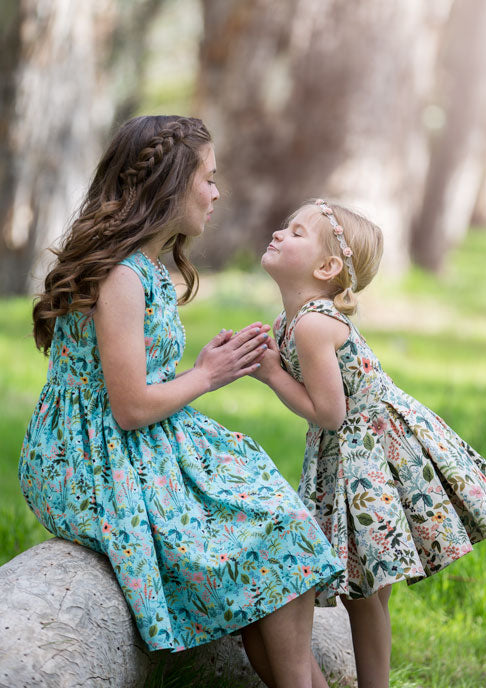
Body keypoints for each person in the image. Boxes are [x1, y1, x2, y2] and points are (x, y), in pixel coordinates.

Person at [18, 117, 343, 688]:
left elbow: (139, 380)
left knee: (271, 505)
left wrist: (203, 369)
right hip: (93, 458)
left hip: (131, 436)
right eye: (209, 179)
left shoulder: (145, 267)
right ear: (169, 184)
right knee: (272, 523)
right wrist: (209, 375)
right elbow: (130, 407)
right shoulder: (121, 277)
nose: (217, 193)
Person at [255, 198, 486, 688]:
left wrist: (271, 374)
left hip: (373, 451)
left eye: (295, 232)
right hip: (353, 452)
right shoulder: (290, 323)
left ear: (327, 266)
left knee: (366, 588)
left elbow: (330, 412)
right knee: (367, 587)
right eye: (283, 226)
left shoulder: (313, 324)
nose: (278, 233)